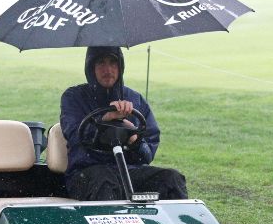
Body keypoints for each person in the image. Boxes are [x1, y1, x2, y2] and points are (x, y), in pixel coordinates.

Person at [59, 46, 188, 201]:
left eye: (113, 62)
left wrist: (133, 137)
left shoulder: (136, 99)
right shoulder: (73, 97)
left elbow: (147, 155)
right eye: (101, 63)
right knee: (105, 181)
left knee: (171, 179)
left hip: (129, 171)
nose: (108, 69)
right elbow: (74, 134)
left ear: (120, 66)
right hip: (86, 173)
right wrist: (105, 118)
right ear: (91, 67)